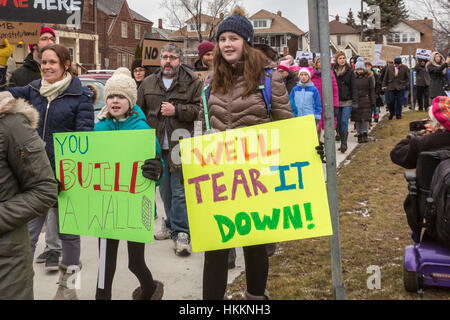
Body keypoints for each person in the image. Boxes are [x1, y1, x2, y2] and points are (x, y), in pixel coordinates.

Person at [197, 7, 294, 300]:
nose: (227, 44)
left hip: (257, 177)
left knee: (254, 247)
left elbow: (286, 126)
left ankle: (255, 299)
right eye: (223, 38)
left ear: (246, 42)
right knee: (215, 249)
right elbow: (203, 129)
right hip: (220, 178)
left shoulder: (269, 79)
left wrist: (308, 148)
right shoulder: (209, 83)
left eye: (234, 38)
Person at [2, 44, 95, 299]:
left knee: (70, 237)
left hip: (66, 180)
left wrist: (70, 173)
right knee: (28, 236)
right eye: (43, 62)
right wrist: (2, 65)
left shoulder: (80, 96)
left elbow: (84, 141)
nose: (46, 67)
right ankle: (21, 285)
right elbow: (3, 93)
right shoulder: (32, 91)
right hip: (34, 181)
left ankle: (70, 290)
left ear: (66, 64)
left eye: (52, 62)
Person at [93, 68, 164, 300]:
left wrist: (157, 170)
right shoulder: (99, 127)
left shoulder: (142, 130)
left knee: (135, 263)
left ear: (131, 101)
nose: (115, 101)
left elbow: (157, 167)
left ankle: (150, 290)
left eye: (121, 96)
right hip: (107, 206)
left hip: (135, 207)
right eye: (111, 96)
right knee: (105, 264)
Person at [137, 43, 202, 256]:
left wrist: (177, 110)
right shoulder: (148, 83)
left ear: (180, 61)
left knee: (179, 191)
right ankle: (171, 223)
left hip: (180, 143)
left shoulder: (192, 81)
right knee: (164, 191)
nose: (168, 61)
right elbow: (139, 111)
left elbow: (198, 111)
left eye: (172, 57)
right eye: (165, 57)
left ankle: (182, 233)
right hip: (156, 145)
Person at [0, 92, 58, 300]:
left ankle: (67, 282)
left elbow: (44, 190)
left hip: (6, 264)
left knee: (68, 237)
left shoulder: (11, 124)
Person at [390, 96, 450, 169]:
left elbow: (396, 154)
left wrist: (414, 135)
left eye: (430, 119)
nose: (429, 121)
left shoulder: (422, 142)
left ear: (437, 123)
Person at [333, 51, 358, 153]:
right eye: (340, 58)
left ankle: (344, 143)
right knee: (338, 122)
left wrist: (355, 101)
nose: (342, 60)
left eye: (343, 58)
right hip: (337, 101)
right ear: (337, 60)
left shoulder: (350, 71)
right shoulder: (332, 71)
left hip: (347, 100)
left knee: (344, 121)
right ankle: (339, 135)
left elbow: (354, 87)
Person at [310, 56, 339, 137]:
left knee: (329, 126)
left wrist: (335, 105)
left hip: (328, 104)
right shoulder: (312, 76)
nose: (321, 63)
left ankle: (329, 146)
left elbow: (335, 90)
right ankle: (318, 144)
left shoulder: (330, 74)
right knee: (317, 127)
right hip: (316, 105)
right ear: (316, 64)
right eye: (319, 62)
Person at [352, 57, 376, 144]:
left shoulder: (368, 77)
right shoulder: (353, 78)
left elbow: (371, 90)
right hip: (356, 100)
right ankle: (359, 134)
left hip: (366, 100)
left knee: (365, 118)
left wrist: (373, 101)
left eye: (361, 69)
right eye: (358, 69)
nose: (359, 71)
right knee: (357, 119)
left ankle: (365, 133)